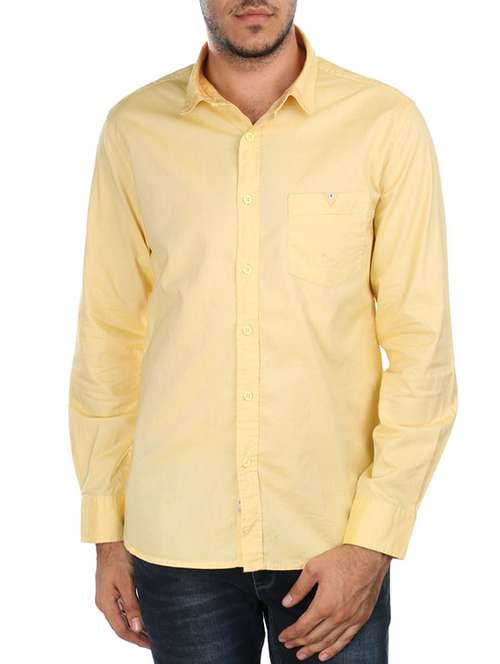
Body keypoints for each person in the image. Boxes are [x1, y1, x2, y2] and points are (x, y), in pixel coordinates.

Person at [68, 1, 458, 662]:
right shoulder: (134, 130)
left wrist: (375, 539)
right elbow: (107, 338)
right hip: (176, 541)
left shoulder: (383, 124)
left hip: (332, 538)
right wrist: (106, 529)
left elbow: (423, 349)